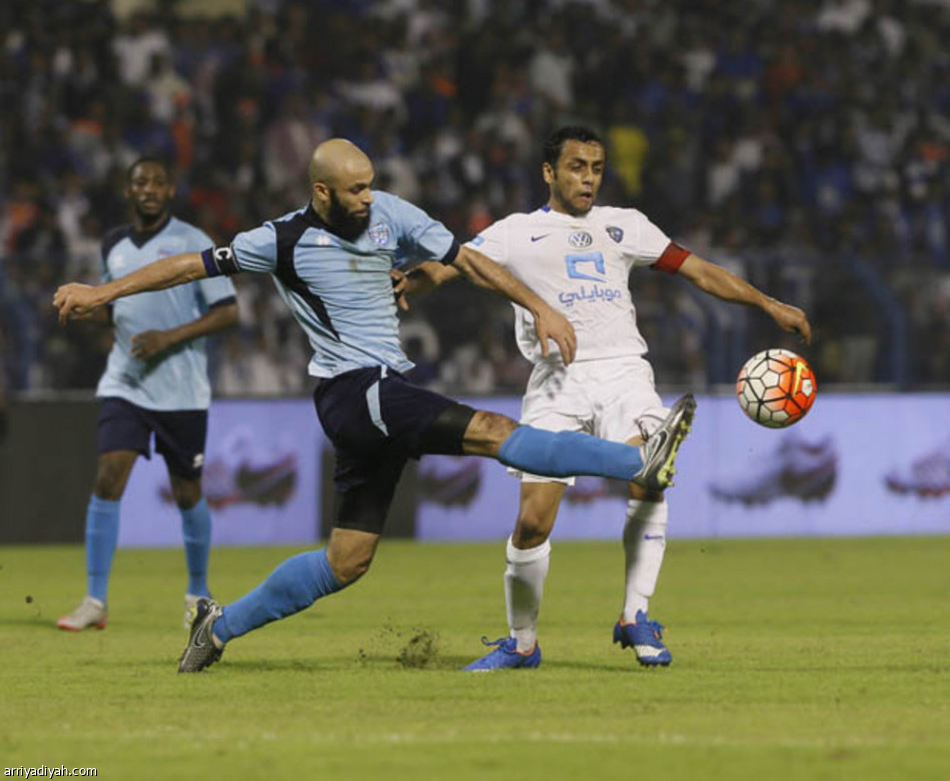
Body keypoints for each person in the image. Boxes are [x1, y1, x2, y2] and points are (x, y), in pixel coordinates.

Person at [53, 139, 696, 673]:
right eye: (355, 190)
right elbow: (188, 267)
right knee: (497, 429)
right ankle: (636, 460)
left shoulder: (390, 212)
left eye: (370, 185)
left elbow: (465, 260)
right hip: (357, 390)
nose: (368, 198)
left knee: (346, 562)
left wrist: (539, 305)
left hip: (377, 394)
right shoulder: (281, 239)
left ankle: (219, 627)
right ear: (322, 191)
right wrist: (101, 291)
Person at [400, 126, 812, 670]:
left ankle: (635, 615)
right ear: (549, 172)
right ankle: (522, 643)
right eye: (576, 167)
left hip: (624, 373)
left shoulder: (626, 225)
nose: (588, 178)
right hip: (555, 380)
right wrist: (410, 282)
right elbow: (453, 265)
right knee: (534, 519)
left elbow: (698, 270)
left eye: (595, 168)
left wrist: (768, 304)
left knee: (648, 471)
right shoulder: (516, 233)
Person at [57, 157, 238, 632]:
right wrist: (88, 311)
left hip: (181, 389)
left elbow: (227, 312)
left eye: (158, 182)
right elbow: (115, 310)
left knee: (187, 493)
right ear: (129, 190)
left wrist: (168, 337)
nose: (150, 189)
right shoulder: (113, 243)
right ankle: (95, 600)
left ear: (171, 190)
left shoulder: (194, 241)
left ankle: (198, 592)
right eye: (141, 182)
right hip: (126, 382)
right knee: (108, 477)